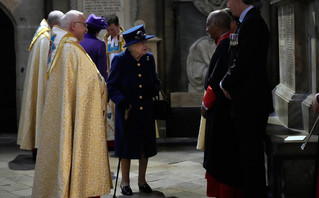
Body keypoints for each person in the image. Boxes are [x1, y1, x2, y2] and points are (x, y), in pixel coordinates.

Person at [32, 10, 112, 198]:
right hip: (77, 114)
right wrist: (101, 84)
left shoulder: (66, 47)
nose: (86, 28)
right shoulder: (70, 49)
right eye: (83, 24)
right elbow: (88, 81)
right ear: (72, 26)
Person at [220, 0, 274, 197]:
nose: (227, 2)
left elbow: (243, 60)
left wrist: (225, 83)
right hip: (246, 100)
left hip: (251, 102)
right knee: (247, 155)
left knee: (251, 157)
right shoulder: (246, 22)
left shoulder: (253, 23)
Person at [107, 24, 160, 196]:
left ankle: (142, 181)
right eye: (141, 42)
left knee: (145, 147)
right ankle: (125, 182)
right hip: (128, 111)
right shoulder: (120, 60)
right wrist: (121, 101)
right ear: (131, 46)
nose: (145, 45)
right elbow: (112, 85)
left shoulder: (148, 59)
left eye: (145, 41)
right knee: (126, 148)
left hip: (145, 111)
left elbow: (155, 79)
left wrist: (153, 87)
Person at [200, 9, 244, 198]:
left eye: (208, 24)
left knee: (221, 156)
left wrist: (206, 104)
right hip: (225, 109)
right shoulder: (229, 41)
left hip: (222, 112)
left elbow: (216, 81)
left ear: (217, 26)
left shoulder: (225, 44)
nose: (207, 29)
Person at [17, 10, 64, 160]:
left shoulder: (43, 34)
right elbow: (47, 70)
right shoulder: (45, 39)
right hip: (44, 87)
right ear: (56, 24)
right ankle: (41, 151)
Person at [103, 14, 126, 150]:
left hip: (122, 79)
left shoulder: (124, 39)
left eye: (112, 29)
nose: (110, 32)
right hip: (111, 78)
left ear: (118, 26)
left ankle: (123, 138)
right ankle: (112, 140)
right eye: (108, 30)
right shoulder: (106, 40)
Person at [80, 14, 108, 80]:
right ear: (98, 31)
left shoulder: (77, 41)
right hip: (92, 82)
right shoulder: (100, 45)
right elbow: (102, 71)